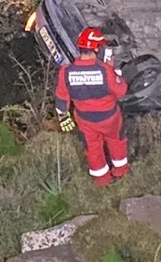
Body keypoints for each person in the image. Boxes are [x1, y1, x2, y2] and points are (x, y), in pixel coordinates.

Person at [54, 27, 130, 185]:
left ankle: (102, 179)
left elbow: (61, 98)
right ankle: (120, 171)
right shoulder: (105, 70)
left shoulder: (65, 71)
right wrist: (114, 70)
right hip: (110, 118)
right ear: (97, 49)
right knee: (116, 141)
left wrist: (63, 116)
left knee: (93, 148)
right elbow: (121, 91)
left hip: (85, 120)